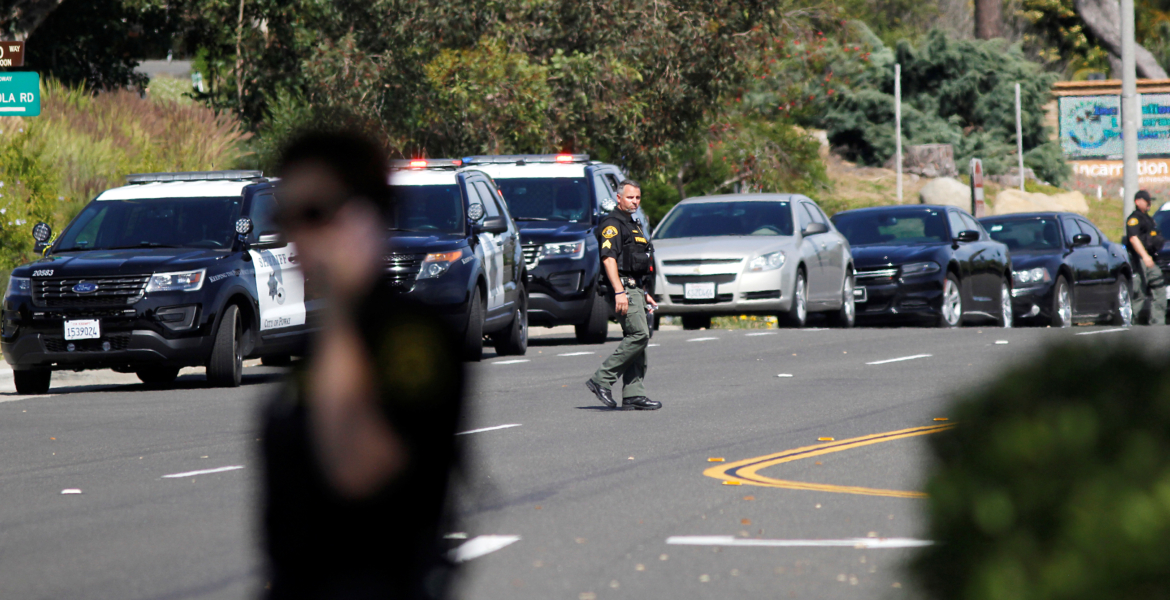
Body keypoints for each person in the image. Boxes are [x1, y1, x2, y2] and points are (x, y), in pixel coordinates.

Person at [259, 130, 465, 599]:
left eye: (312, 214)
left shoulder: (410, 337)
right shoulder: (329, 334)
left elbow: (359, 471)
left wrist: (346, 308)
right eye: (283, 215)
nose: (295, 235)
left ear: (364, 214)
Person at [584, 180, 661, 411]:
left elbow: (635, 262)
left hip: (635, 288)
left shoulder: (633, 224)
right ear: (619, 198)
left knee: (639, 339)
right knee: (639, 334)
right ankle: (601, 380)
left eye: (638, 198)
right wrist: (619, 291)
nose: (634, 202)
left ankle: (633, 394)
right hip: (623, 288)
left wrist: (643, 292)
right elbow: (609, 260)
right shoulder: (612, 224)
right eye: (630, 198)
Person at [1125, 189, 1166, 325]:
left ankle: (1157, 324)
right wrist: (1145, 256)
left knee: (1159, 288)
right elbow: (1133, 238)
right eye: (1147, 201)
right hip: (1140, 261)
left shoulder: (1148, 218)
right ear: (1138, 202)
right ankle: (1137, 326)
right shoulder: (1134, 219)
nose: (1149, 204)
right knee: (1140, 294)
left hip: (1152, 259)